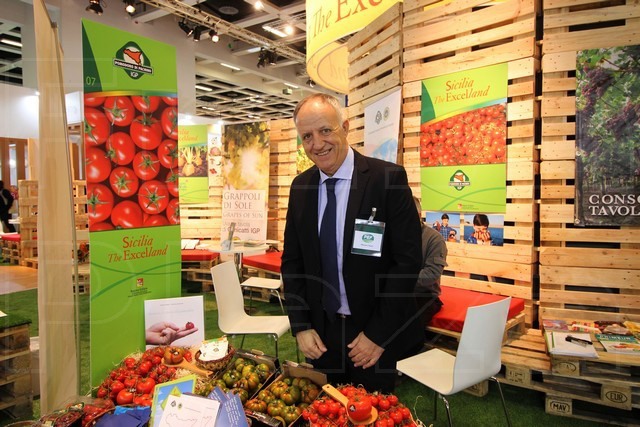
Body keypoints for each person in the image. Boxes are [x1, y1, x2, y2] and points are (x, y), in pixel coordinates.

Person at [281, 93, 423, 393]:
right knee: (324, 409)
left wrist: (378, 335)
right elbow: (293, 262)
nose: (317, 144)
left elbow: (407, 263)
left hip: (372, 335)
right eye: (307, 136)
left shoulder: (387, 180)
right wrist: (301, 325)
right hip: (321, 335)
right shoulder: (301, 188)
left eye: (325, 130)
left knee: (372, 411)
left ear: (345, 127)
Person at [413, 197, 447, 329]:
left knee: (409, 325)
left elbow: (431, 274)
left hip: (424, 295)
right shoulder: (393, 235)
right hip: (393, 292)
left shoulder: (434, 239)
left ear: (418, 215)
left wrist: (399, 282)